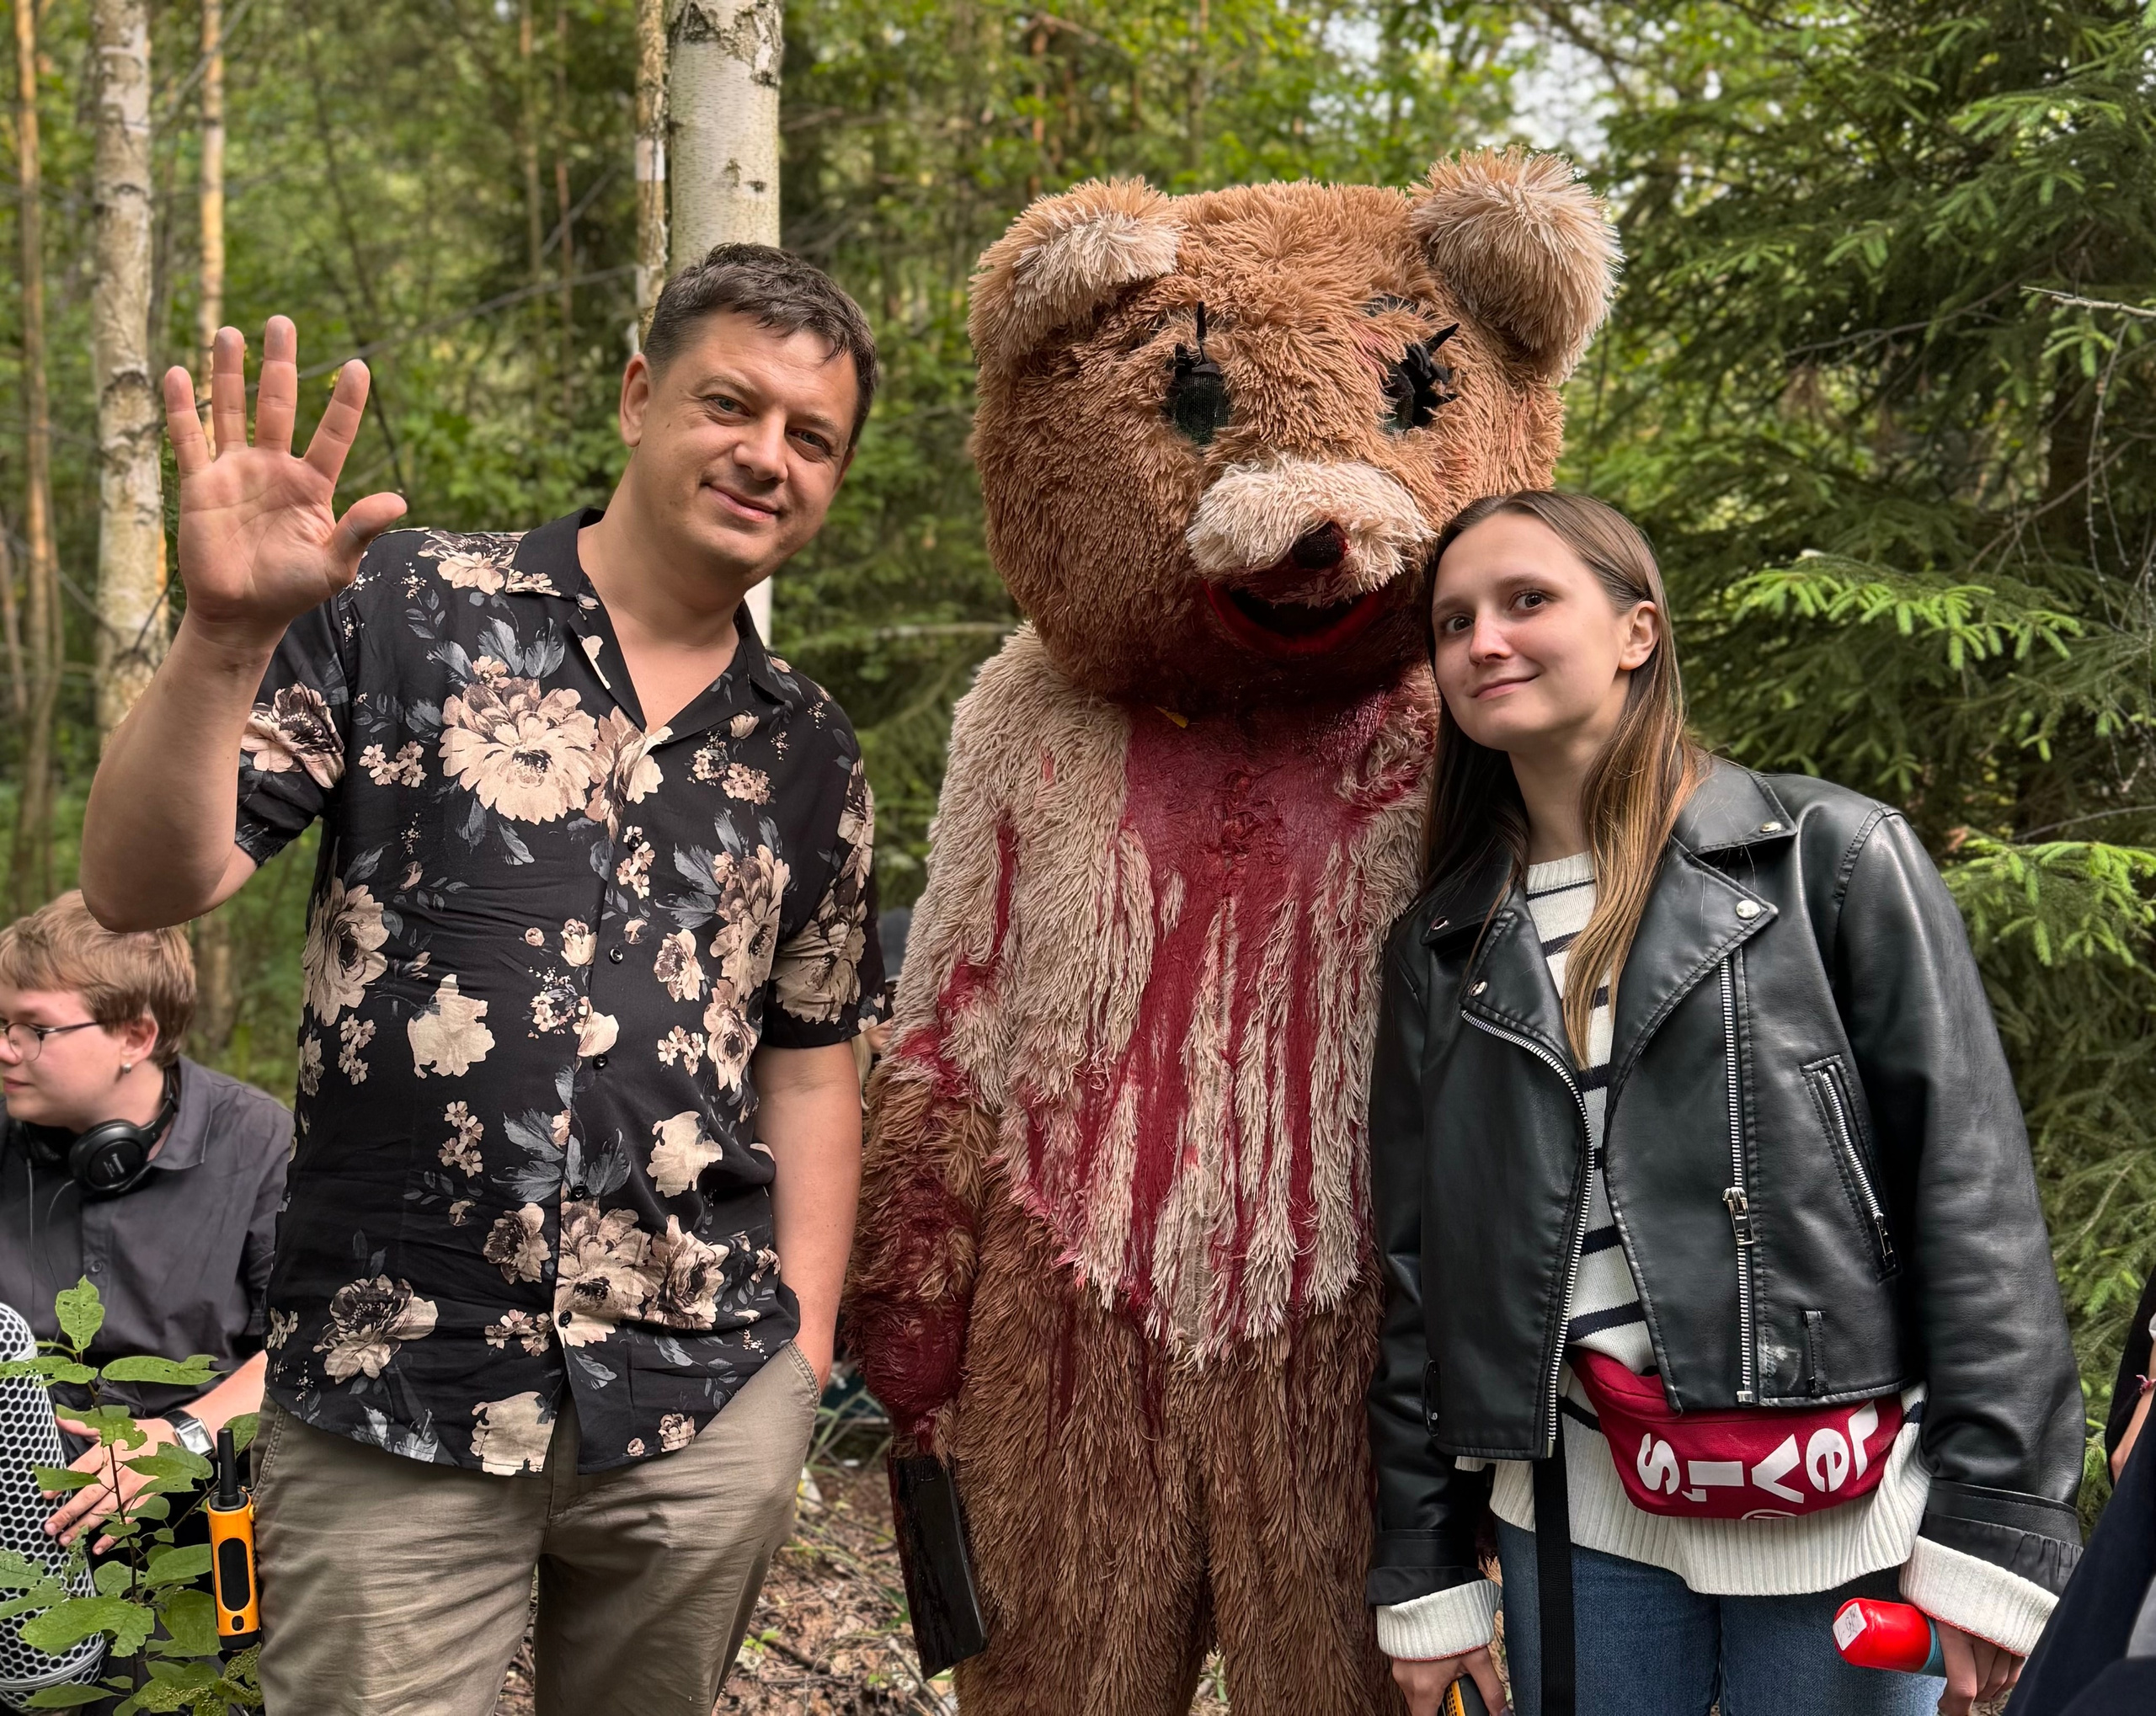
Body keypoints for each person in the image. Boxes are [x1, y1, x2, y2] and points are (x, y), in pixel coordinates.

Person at [76, 245, 885, 1716]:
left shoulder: (810, 750)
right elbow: (139, 889)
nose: (766, 456)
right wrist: (216, 643)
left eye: (810, 437)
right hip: (397, 1378)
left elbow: (812, 1053)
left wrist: (804, 1355)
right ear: (641, 396)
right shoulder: (404, 604)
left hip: (696, 1403)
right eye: (732, 404)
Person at [1364, 492, 2084, 1716]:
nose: (1483, 640)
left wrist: (1997, 1525)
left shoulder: (1831, 857)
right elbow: (1422, 1274)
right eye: (1453, 621)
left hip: (1840, 1507)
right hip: (1576, 1524)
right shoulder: (1441, 941)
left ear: (1637, 630)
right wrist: (1427, 1566)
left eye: (1527, 600)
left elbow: (1975, 1206)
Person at [0, 891, 288, 1556]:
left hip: (193, 1524)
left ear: (135, 1035)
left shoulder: (256, 1139)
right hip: (20, 1514)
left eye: (33, 1029)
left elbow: (303, 1353)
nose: (8, 1050)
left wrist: (177, 1439)